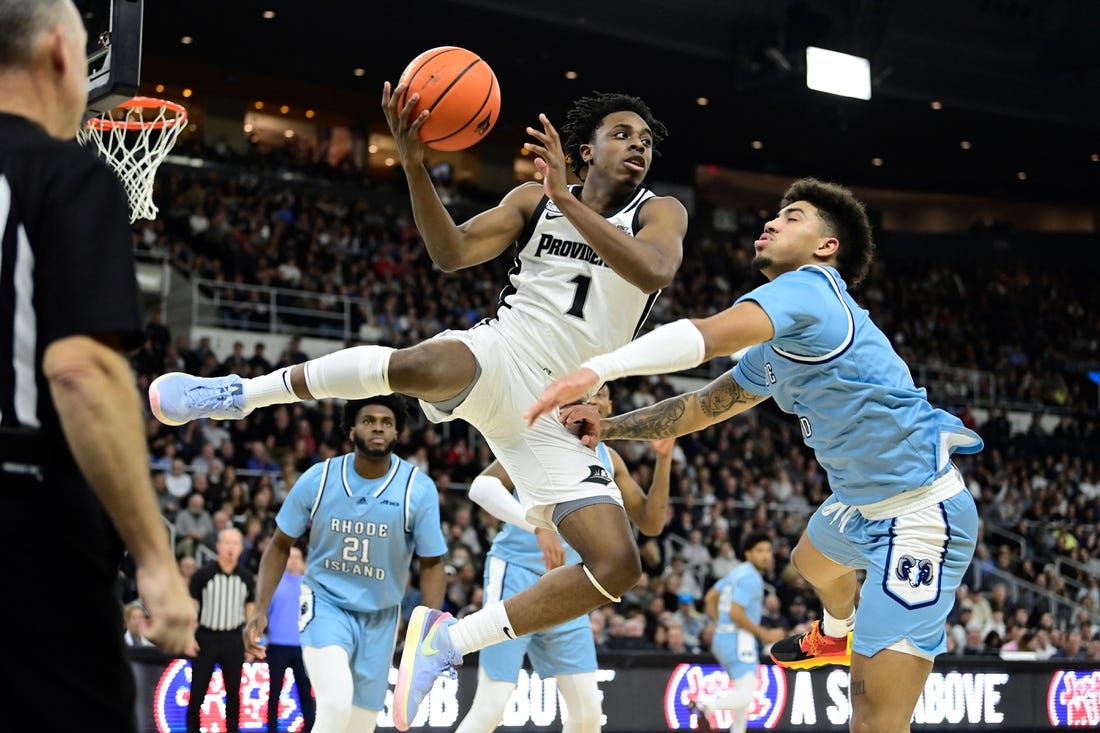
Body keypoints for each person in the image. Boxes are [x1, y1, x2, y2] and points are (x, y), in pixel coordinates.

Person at [147, 85, 686, 730]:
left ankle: (448, 642)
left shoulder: (662, 212)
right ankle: (241, 394)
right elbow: (450, 253)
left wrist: (569, 200)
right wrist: (412, 165)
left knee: (617, 565)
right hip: (504, 352)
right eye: (623, 134)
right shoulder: (530, 200)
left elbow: (654, 272)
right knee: (417, 365)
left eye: (646, 141)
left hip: (562, 404)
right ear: (586, 148)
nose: (638, 147)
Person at [527, 177, 984, 733]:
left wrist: (601, 369)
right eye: (774, 215)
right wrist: (609, 426)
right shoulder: (780, 344)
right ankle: (837, 634)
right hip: (861, 504)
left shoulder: (812, 288)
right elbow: (700, 408)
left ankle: (846, 637)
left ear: (826, 246)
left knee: (874, 722)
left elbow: (708, 335)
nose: (770, 223)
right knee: (811, 560)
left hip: (919, 515)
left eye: (792, 217)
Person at [0, 1, 196, 730]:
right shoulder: (65, 175)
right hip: (28, 535)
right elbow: (81, 371)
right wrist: (153, 555)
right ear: (61, 53)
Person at [456, 386, 674, 733]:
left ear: (608, 406)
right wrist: (536, 526)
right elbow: (481, 488)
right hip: (516, 572)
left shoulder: (610, 458)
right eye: (585, 394)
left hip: (569, 587)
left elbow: (650, 522)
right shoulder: (544, 437)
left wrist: (663, 460)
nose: (592, 400)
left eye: (599, 393)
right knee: (492, 704)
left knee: (588, 712)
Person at [243, 396, 447, 733]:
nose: (378, 426)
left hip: (382, 617)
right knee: (335, 704)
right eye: (368, 420)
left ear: (397, 433)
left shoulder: (417, 488)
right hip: (326, 605)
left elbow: (432, 562)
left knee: (360, 725)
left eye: (386, 421)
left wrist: (431, 630)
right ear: (351, 429)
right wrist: (260, 607)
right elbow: (279, 545)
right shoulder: (319, 479)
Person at [692, 532, 786, 733]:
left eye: (768, 551)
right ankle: (707, 705)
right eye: (760, 551)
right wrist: (765, 635)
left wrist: (720, 624)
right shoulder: (751, 578)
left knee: (741, 698)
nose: (766, 555)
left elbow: (710, 598)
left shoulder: (736, 572)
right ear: (748, 553)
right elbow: (736, 612)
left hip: (723, 636)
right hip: (739, 639)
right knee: (747, 695)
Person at [189, 527, 255, 733]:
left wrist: (250, 642)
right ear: (218, 546)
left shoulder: (246, 577)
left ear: (241, 548)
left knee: (234, 693)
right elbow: (192, 608)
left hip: (233, 639)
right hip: (206, 637)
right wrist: (188, 636)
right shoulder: (203, 575)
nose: (230, 548)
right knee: (198, 691)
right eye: (226, 543)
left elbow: (250, 612)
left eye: (235, 544)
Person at [264, 544, 315, 733]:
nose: (293, 560)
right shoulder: (273, 583)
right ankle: (271, 729)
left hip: (302, 646)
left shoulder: (309, 585)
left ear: (303, 562)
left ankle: (311, 727)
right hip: (277, 645)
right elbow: (264, 614)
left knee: (305, 691)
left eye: (297, 557)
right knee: (275, 691)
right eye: (290, 557)